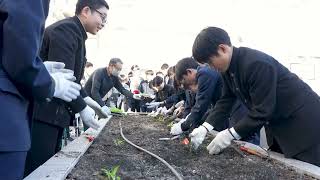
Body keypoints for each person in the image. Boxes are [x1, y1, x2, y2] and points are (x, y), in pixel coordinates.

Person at [190, 27, 320, 166]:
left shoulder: (255, 64)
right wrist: (205, 127)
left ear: (222, 49)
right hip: (280, 126)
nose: (210, 67)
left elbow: (263, 110)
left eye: (210, 62)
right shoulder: (227, 70)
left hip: (303, 125)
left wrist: (230, 134)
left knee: (310, 166)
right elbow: (226, 100)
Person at [25, 0, 109, 176]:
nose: (103, 23)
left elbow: (73, 80)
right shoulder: (66, 31)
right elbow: (64, 77)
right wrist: (82, 108)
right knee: (37, 169)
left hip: (52, 114)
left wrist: (88, 100)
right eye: (102, 16)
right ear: (86, 10)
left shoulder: (76, 33)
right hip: (43, 114)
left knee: (46, 166)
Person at [0, 1, 82, 179]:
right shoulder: (66, 29)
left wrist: (41, 67)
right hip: (6, 121)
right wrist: (51, 84)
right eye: (102, 16)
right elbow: (22, 60)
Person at [170, 57, 223, 135]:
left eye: (184, 80)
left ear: (189, 72)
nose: (186, 85)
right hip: (222, 111)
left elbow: (201, 104)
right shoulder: (204, 73)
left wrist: (184, 126)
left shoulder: (204, 73)